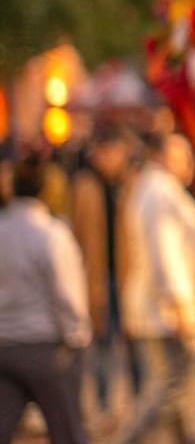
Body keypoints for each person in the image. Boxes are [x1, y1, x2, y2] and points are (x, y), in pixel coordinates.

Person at [114, 134, 195, 444]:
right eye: (182, 155)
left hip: (161, 306)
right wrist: (180, 302)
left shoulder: (161, 190)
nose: (189, 163)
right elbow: (165, 251)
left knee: (180, 393)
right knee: (167, 387)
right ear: (162, 156)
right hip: (164, 310)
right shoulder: (159, 192)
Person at [0, 156, 92, 444]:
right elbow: (68, 296)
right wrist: (77, 337)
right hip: (45, 346)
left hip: (5, 343)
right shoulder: (52, 234)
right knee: (68, 432)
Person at [70, 127, 133, 419]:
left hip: (124, 275)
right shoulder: (85, 186)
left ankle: (135, 406)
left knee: (130, 341)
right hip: (96, 275)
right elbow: (76, 234)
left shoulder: (127, 185)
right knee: (101, 344)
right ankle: (104, 407)